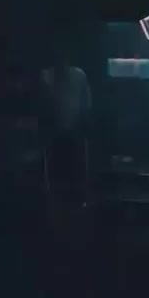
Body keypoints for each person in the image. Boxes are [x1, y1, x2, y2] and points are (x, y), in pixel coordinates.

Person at [40, 52, 91, 195]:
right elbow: (44, 104)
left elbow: (86, 101)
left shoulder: (79, 75)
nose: (61, 63)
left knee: (75, 166)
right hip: (54, 130)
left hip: (75, 130)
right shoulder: (46, 76)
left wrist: (82, 123)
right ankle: (57, 194)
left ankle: (78, 193)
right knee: (56, 166)